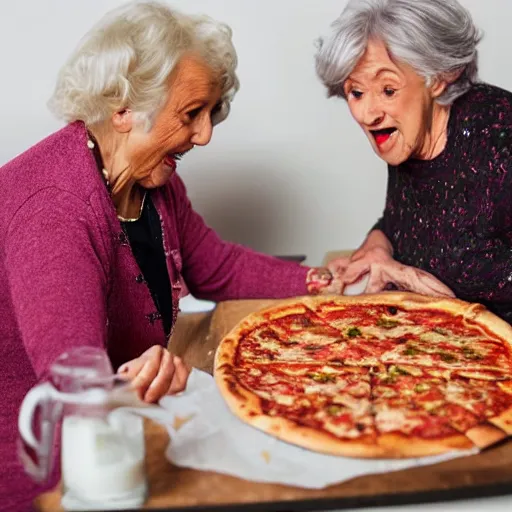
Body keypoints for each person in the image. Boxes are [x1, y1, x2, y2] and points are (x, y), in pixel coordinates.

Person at [0, 2, 344, 509]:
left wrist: (327, 280)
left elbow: (216, 267)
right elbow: (74, 381)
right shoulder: (53, 207)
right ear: (122, 108)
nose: (205, 135)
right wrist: (145, 373)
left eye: (210, 114)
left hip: (123, 434)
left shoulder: (153, 179)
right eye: (191, 114)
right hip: (52, 470)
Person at [315, 0, 512, 320]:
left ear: (436, 78)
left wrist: (460, 311)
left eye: (388, 89)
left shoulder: (499, 141)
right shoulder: (410, 133)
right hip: (430, 344)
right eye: (356, 93)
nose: (368, 114)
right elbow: (401, 224)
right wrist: (379, 250)